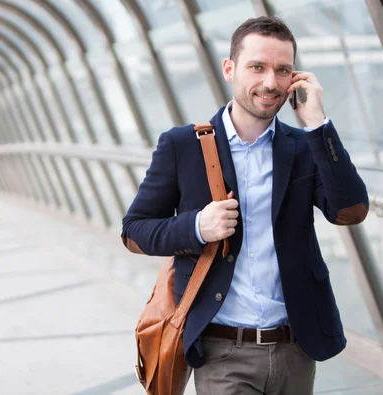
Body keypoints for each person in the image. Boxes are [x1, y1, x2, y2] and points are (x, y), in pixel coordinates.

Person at [121, 16, 369, 395]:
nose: (271, 82)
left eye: (282, 70)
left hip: (295, 349)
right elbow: (134, 232)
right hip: (222, 351)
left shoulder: (303, 147)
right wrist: (196, 227)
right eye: (257, 67)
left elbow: (350, 210)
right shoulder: (182, 145)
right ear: (230, 69)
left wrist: (317, 123)